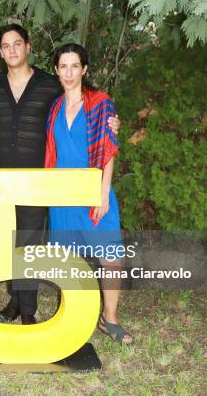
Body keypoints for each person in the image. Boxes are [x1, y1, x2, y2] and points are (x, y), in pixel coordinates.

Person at [0, 24, 121, 325]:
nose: (12, 50)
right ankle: (20, 302)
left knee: (40, 242)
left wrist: (113, 124)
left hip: (56, 181)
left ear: (28, 47)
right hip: (22, 181)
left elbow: (102, 133)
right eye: (6, 45)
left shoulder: (55, 88)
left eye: (17, 44)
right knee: (21, 244)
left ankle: (99, 316)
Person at [45, 43, 132, 344]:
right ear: (56, 70)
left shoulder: (100, 103)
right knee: (69, 260)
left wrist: (103, 193)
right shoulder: (55, 107)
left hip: (94, 191)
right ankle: (72, 317)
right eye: (63, 66)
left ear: (84, 69)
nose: (68, 73)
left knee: (110, 257)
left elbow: (108, 149)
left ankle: (110, 318)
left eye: (74, 66)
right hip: (62, 195)